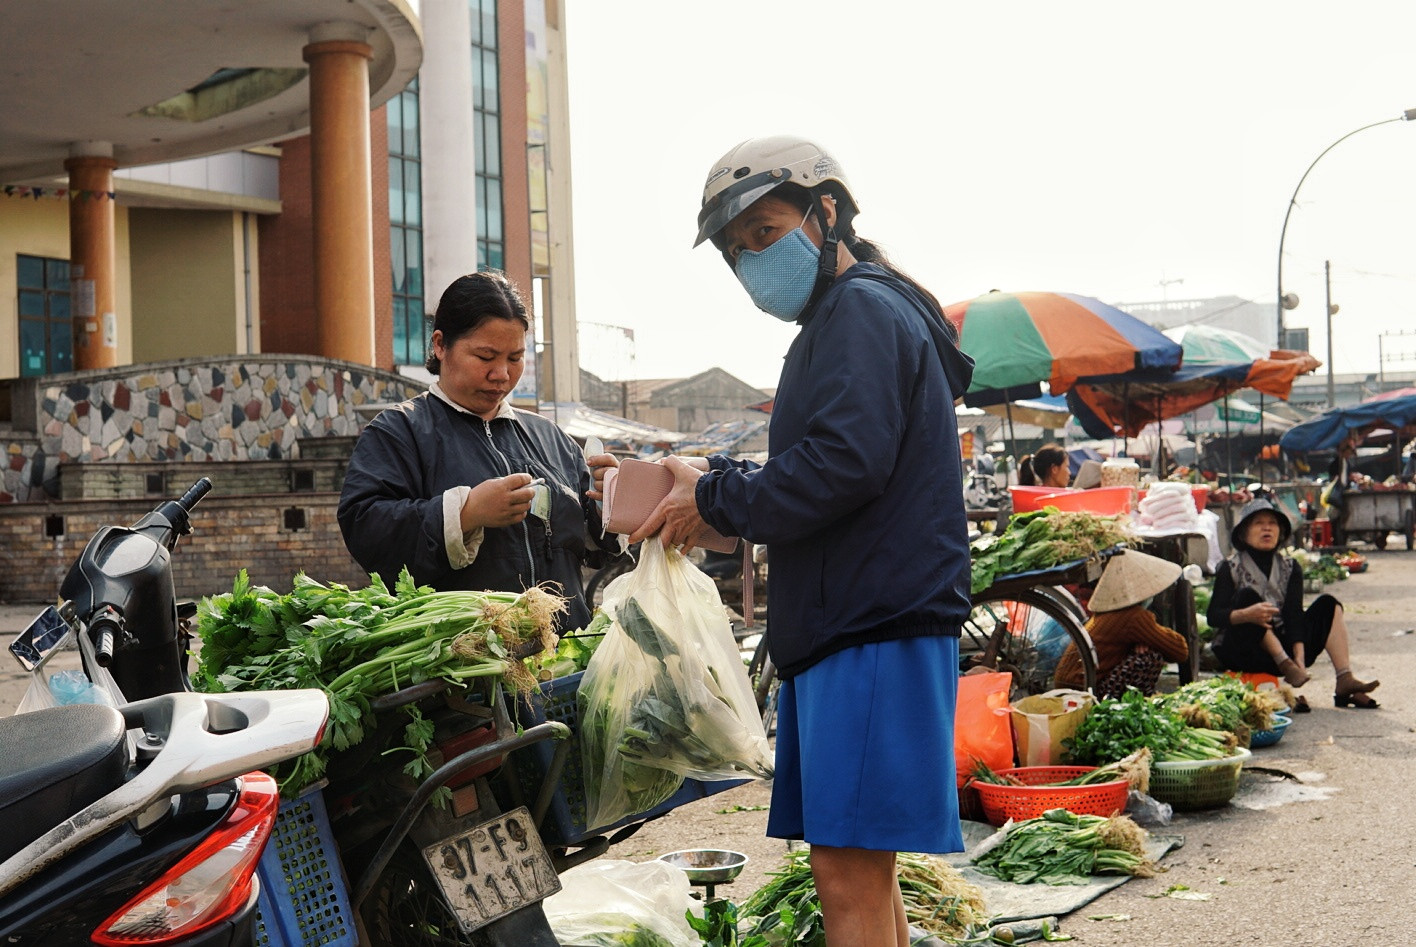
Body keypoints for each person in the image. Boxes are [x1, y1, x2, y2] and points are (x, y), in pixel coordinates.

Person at [628, 135, 975, 947]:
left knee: (846, 873)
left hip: (870, 624)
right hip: (863, 621)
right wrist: (714, 494)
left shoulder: (860, 309)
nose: (754, 257)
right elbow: (832, 471)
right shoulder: (856, 312)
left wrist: (717, 491)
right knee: (863, 869)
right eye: (738, 247)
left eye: (765, 230)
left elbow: (843, 464)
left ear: (827, 212)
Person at [337, 270, 619, 633]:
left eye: (515, 358)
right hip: (463, 667)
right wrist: (466, 513)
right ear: (440, 345)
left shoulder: (551, 437)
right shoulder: (398, 432)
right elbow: (365, 528)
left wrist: (609, 501)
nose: (501, 374)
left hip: (561, 659)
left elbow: (592, 546)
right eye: (485, 357)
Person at [1207, 497, 1379, 709]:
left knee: (1329, 604)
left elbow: (1293, 614)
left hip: (1286, 647)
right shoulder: (1229, 567)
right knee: (1247, 599)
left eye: (1272, 524)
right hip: (1243, 650)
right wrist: (1245, 615)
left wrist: (1299, 657)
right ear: (1243, 533)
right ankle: (1284, 663)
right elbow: (1213, 616)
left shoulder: (1290, 567)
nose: (1267, 529)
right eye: (1259, 523)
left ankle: (1344, 678)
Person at [1054, 550, 1191, 697]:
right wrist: (1150, 641)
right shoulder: (1134, 617)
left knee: (1150, 646)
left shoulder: (1108, 613)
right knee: (1151, 656)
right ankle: (1129, 703)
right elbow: (1180, 651)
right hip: (1083, 691)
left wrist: (1142, 640)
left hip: (1072, 685)